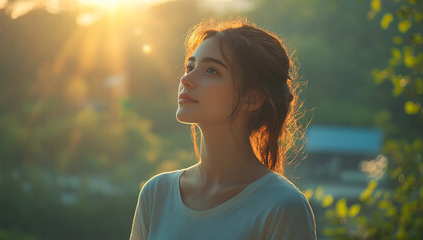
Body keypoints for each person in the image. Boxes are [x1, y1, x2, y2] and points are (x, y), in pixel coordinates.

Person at [129, 17, 316, 240]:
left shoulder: (282, 206)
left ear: (251, 99)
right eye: (190, 66)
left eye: (211, 71)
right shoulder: (157, 193)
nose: (186, 79)